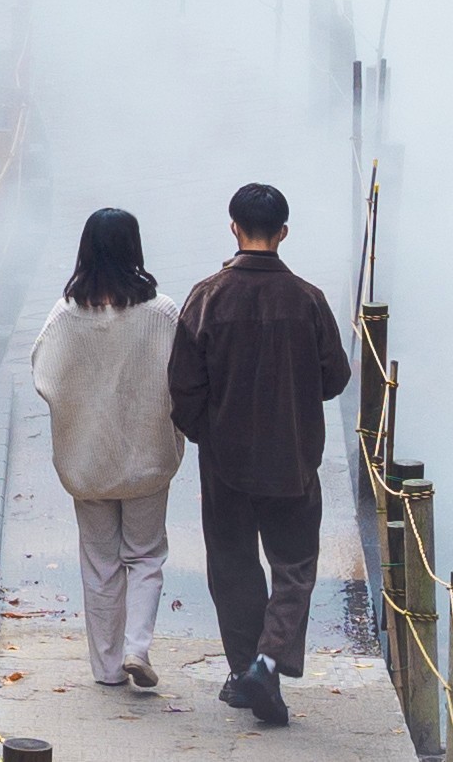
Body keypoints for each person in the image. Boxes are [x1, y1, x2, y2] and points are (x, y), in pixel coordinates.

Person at [158, 177, 352, 726]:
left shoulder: (207, 297)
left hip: (227, 462)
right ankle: (267, 664)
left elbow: (183, 387)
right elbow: (336, 378)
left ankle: (247, 668)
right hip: (294, 458)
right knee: (294, 565)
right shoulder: (308, 300)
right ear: (283, 232)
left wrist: (210, 433)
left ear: (234, 228)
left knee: (233, 564)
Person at [27, 205, 182, 693]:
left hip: (88, 460)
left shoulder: (65, 315)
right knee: (145, 555)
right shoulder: (162, 313)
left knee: (100, 563)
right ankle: (138, 647)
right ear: (135, 248)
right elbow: (185, 377)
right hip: (148, 457)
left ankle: (108, 668)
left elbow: (44, 376)